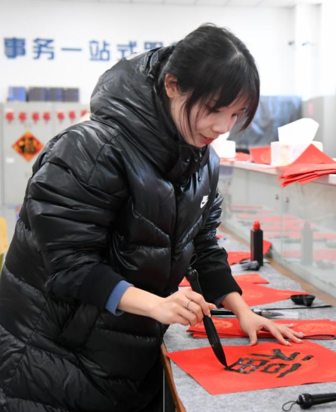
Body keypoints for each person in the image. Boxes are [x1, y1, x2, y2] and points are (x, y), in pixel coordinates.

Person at [0, 24, 302, 412]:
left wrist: (242, 310)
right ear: (172, 85)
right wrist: (158, 305)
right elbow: (70, 267)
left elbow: (203, 244)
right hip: (48, 356)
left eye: (236, 114)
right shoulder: (90, 150)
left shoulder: (201, 160)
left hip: (118, 353)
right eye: (213, 110)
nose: (223, 127)